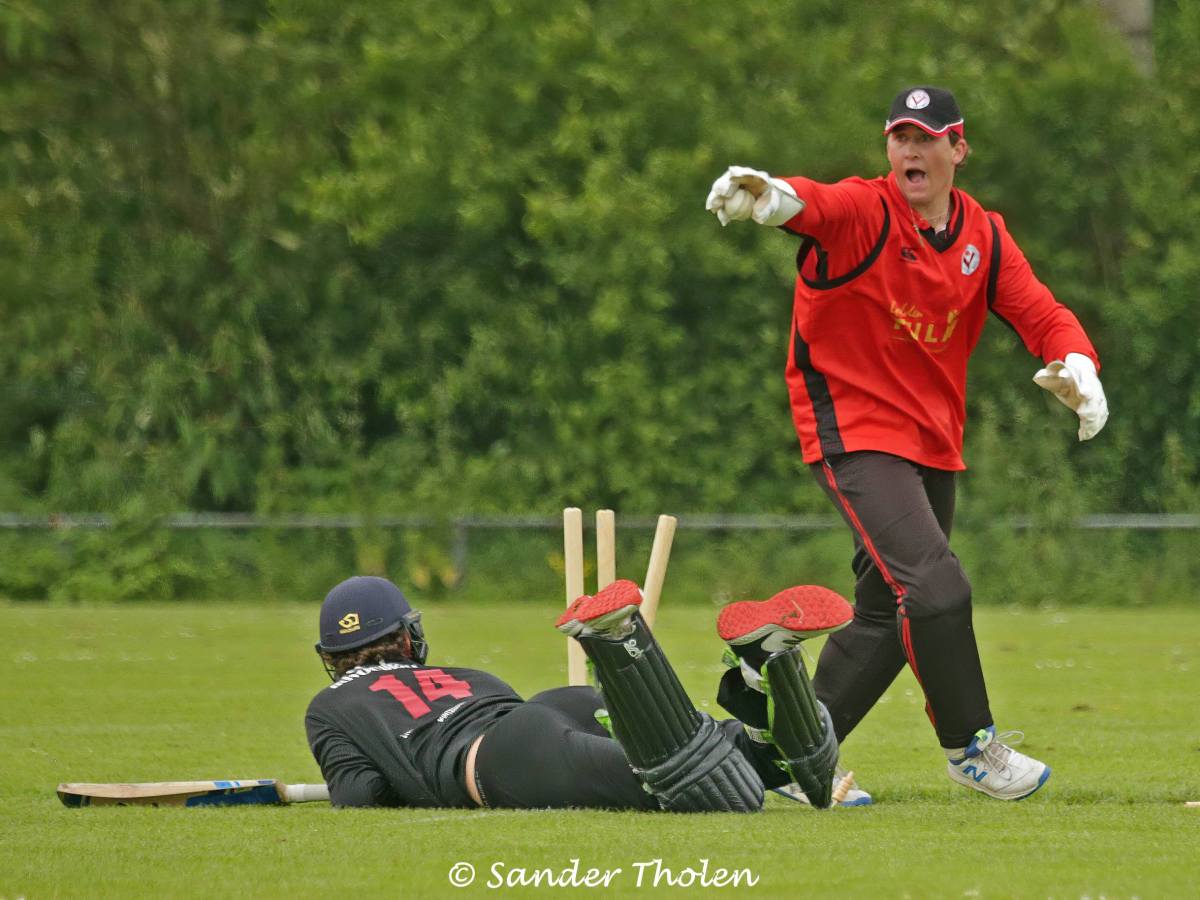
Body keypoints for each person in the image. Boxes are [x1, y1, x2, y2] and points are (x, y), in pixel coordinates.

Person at [705, 86, 1109, 801]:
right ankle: (971, 746)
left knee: (892, 614)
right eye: (900, 137)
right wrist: (767, 196)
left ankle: (795, 763)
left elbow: (1041, 311)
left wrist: (1079, 363)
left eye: (928, 138)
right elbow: (815, 204)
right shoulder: (868, 210)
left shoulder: (983, 234)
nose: (912, 151)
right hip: (852, 431)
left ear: (959, 148)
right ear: (888, 147)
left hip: (930, 443)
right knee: (936, 587)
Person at [305, 574, 853, 810]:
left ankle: (615, 639)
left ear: (332, 657)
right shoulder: (466, 675)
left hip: (505, 757)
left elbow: (362, 795)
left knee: (700, 791)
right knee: (742, 764)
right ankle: (763, 670)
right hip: (551, 707)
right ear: (407, 636)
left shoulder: (330, 707)